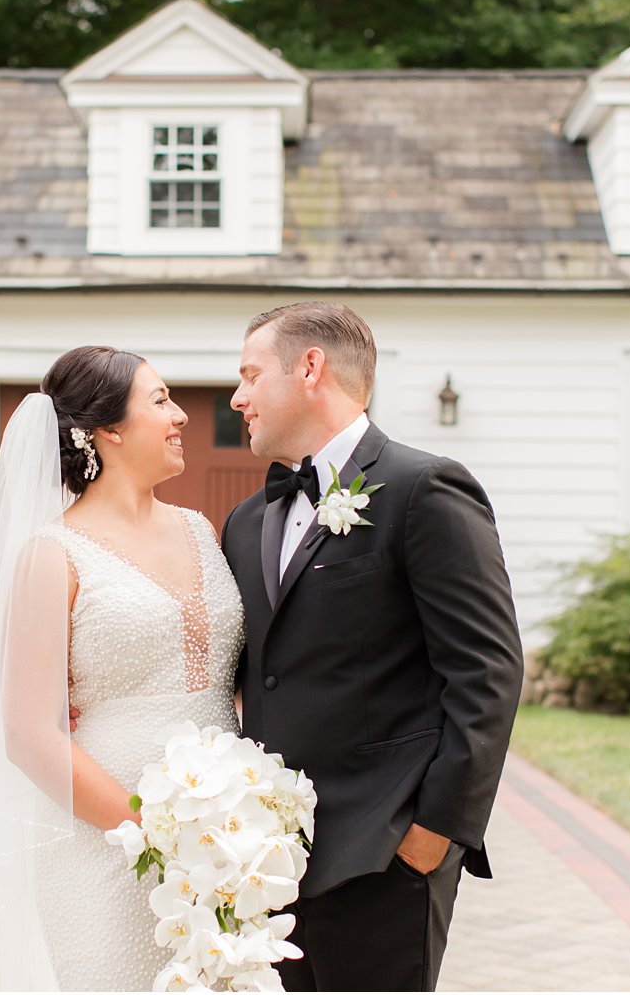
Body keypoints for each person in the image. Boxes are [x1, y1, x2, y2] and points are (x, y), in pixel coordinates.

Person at [221, 302, 524, 992]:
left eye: (248, 374)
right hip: (270, 860)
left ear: (310, 367)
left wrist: (434, 835)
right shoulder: (246, 522)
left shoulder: (426, 489)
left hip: (386, 854)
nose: (237, 397)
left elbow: (487, 672)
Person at [0, 345, 245, 991]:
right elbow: (30, 735)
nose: (180, 415)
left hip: (227, 834)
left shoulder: (202, 529)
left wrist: (224, 830)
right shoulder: (51, 554)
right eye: (160, 400)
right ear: (108, 430)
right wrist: (152, 836)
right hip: (107, 843)